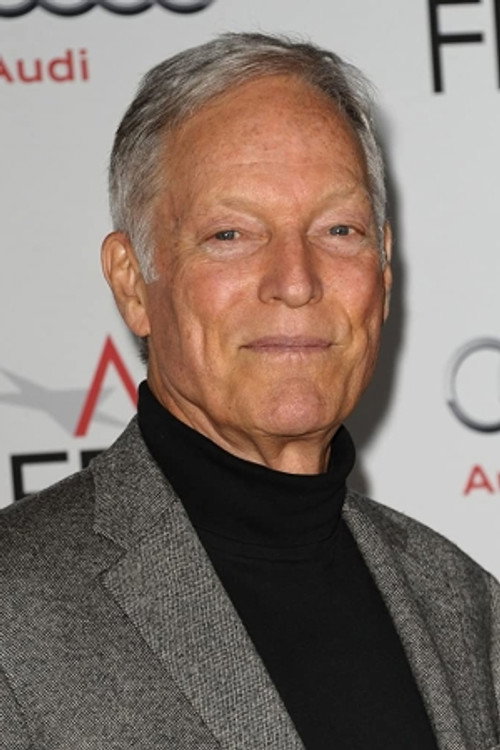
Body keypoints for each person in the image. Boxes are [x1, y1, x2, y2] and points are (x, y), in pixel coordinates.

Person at [0, 32, 498, 750]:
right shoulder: (15, 609)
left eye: (339, 229)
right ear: (133, 284)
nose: (295, 281)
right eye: (231, 234)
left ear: (385, 271)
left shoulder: (463, 604)